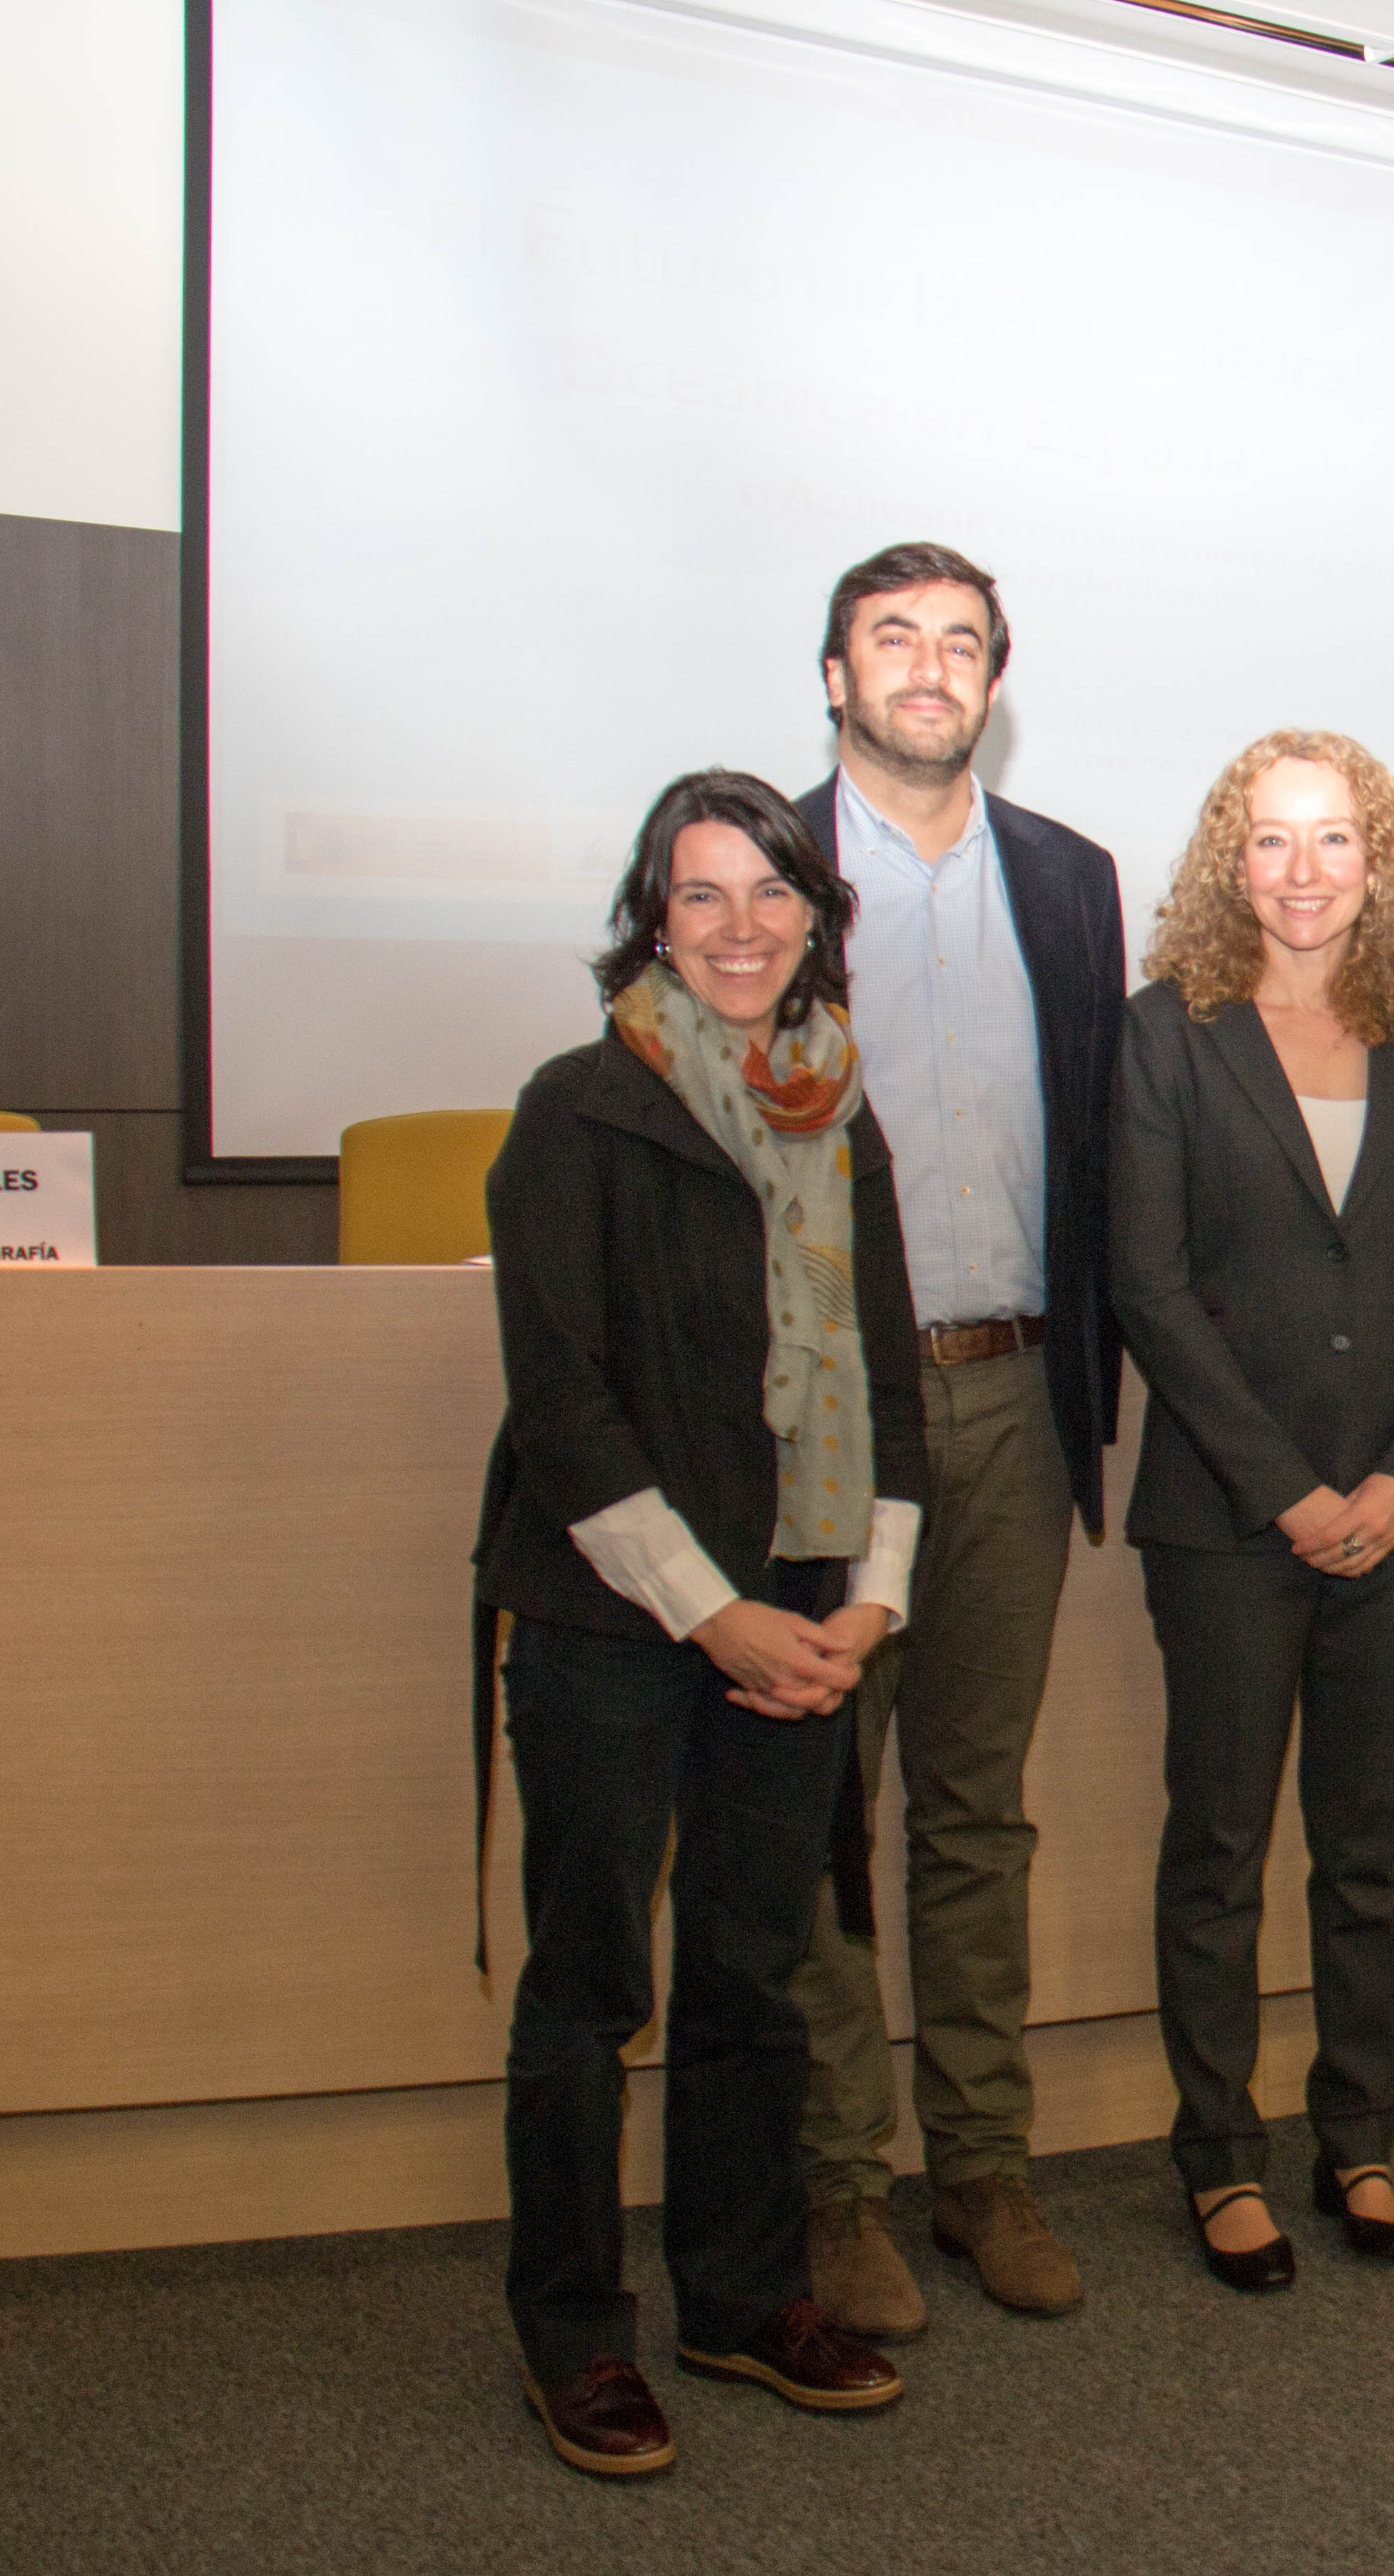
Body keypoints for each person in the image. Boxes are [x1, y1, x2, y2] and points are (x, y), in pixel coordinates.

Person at [474, 769, 920, 2475]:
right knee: (592, 1989)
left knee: (750, 1975)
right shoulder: (578, 1107)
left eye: (772, 893)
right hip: (614, 1620)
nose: (742, 928)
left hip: (803, 1615)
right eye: (703, 894)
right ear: (654, 920)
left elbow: (887, 1376)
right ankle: (574, 2332)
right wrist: (710, 1612)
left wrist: (869, 1603)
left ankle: (739, 2299)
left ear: (816, 917)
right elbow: (564, 1407)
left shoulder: (841, 1108)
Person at [783, 542, 1122, 2336]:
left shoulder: (1069, 877)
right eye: (894, 638)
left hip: (1014, 1395)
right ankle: (839, 2186)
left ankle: (983, 2164)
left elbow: (1104, 1132)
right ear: (836, 675)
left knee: (978, 1808)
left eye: (963, 643)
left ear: (996, 681)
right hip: (826, 1413)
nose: (931, 667)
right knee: (825, 1814)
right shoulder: (762, 861)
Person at [1110, 731, 1394, 2286]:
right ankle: (1220, 2156)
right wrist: (1288, 1491)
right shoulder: (1168, 1031)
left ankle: (1360, 2136)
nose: (1304, 871)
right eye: (1271, 840)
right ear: (1232, 862)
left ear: (1378, 861)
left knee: (1366, 1852)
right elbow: (1148, 1287)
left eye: (1335, 839)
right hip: (1228, 1519)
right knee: (1217, 1849)